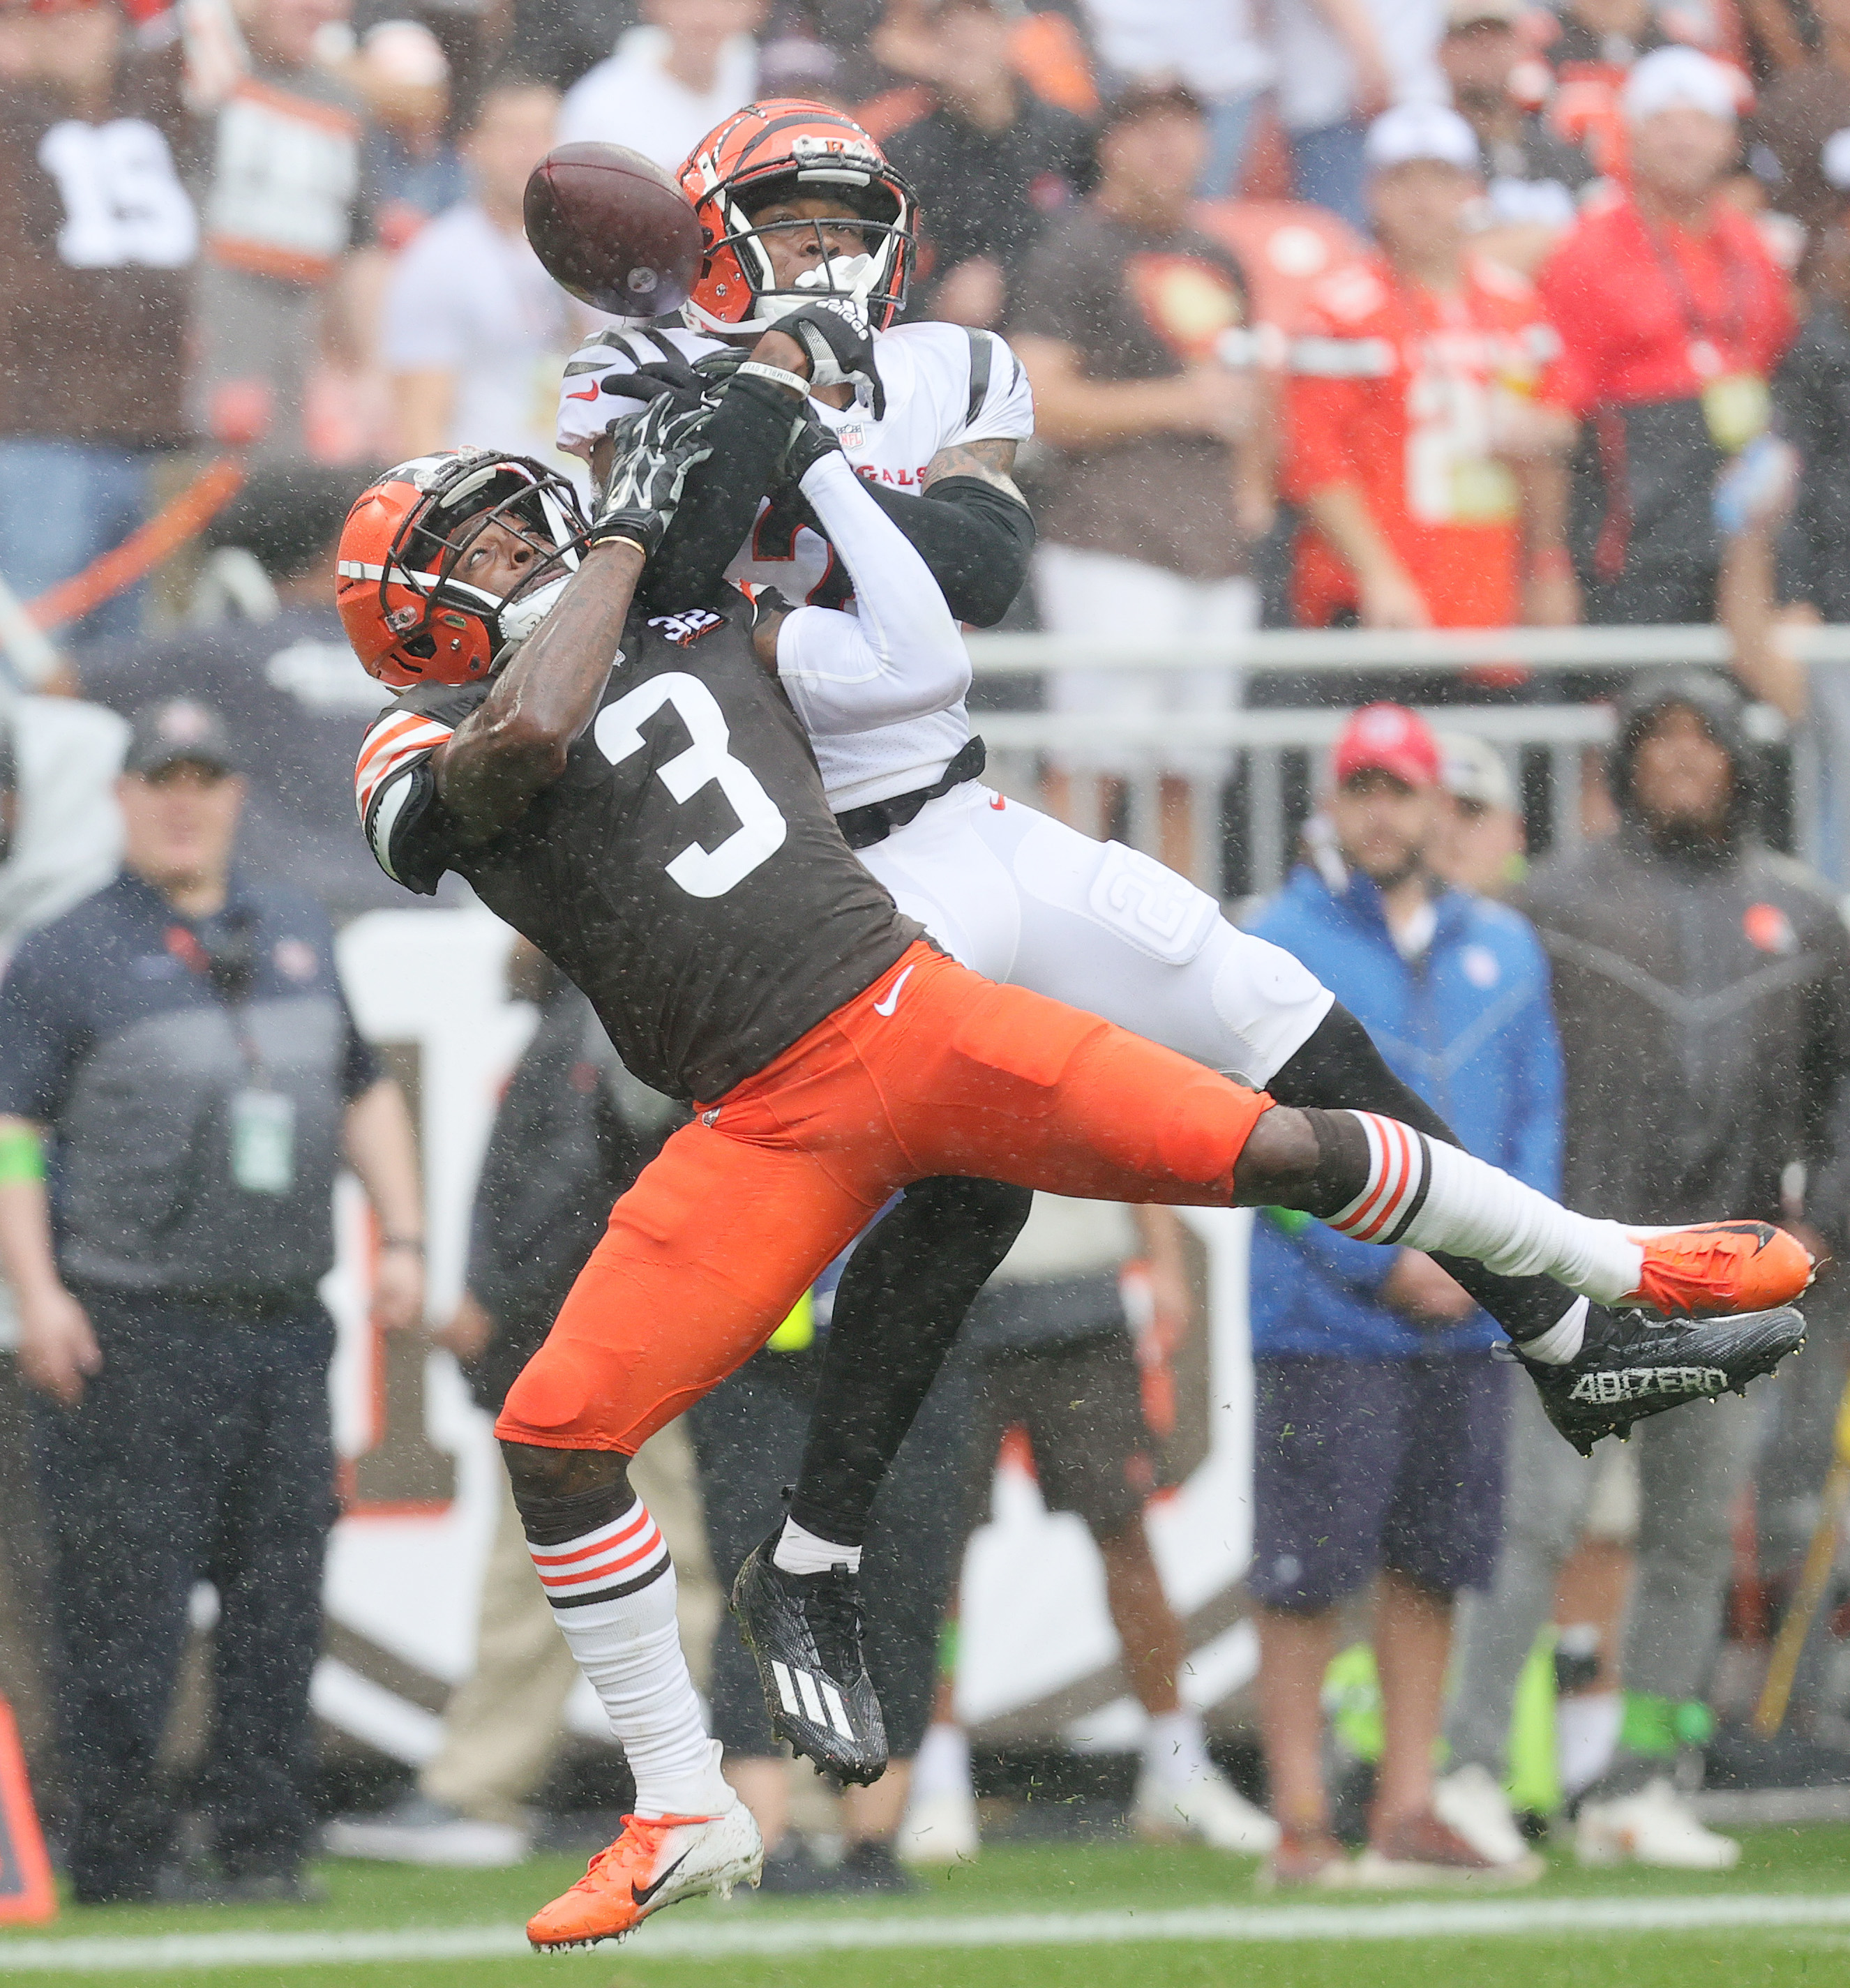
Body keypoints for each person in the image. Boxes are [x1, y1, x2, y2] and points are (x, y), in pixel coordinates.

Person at [340, 409, 1804, 1946]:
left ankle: (1616, 1274)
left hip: (905, 1012)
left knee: (1279, 1145)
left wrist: (807, 450)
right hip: (755, 1122)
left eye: (527, 526)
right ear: (412, 614)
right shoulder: (420, 738)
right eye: (486, 549)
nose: (529, 555)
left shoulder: (688, 611)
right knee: (559, 1433)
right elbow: (522, 742)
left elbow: (915, 655)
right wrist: (636, 539)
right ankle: (681, 1797)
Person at [550, 98, 1810, 1804]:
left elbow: (982, 561)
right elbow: (676, 563)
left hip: (958, 811)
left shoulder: (948, 364)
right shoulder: (630, 379)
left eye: (851, 222)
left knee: (1270, 1001)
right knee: (963, 1171)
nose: (830, 253)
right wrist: (773, 394)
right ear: (708, 237)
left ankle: (1557, 1338)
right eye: (791, 221)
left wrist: (803, 461)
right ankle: (816, 1557)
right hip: (805, 883)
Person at [0, 697, 424, 1904]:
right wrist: (36, 1292)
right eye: (159, 781)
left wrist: (402, 1233)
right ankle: (121, 1851)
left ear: (236, 794)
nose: (183, 803)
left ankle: (264, 1844)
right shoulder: (67, 951)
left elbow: (363, 1085)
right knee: (123, 1607)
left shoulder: (293, 923)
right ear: (123, 799)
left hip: (284, 1323)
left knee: (279, 1601)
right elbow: (13, 1135)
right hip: (132, 1322)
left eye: (204, 779)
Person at [1444, 669, 1850, 1871]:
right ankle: (1468, 1768)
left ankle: (1642, 1780)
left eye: (1702, 738)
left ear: (1741, 760)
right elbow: (1499, 1073)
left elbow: (1839, 1101)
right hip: (1565, 1253)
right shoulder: (1549, 905)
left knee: (1686, 1538)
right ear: (1621, 760)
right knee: (1537, 1522)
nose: (1680, 757)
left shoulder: (1807, 917)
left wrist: (1821, 1228)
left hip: (1725, 1268)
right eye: (1657, 737)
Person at [1244, 705, 1555, 1887]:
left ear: (1440, 806)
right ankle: (1300, 1819)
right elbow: (1255, 1145)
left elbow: (1536, 1122)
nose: (1380, 810)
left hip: (1462, 1317)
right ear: (1331, 803)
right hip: (1324, 1318)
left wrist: (1486, 1261)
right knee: (1304, 1574)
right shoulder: (1276, 939)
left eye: (1400, 788)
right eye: (1360, 788)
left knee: (1431, 1565)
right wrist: (1381, 1260)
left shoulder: (1505, 947)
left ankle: (1409, 1807)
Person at [325, 964, 714, 1868]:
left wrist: (504, 1313)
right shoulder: (602, 1010)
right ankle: (486, 1787)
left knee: (660, 1571)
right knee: (572, 1570)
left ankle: (757, 1786)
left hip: (608, 1343)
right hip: (602, 1340)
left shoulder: (606, 1016)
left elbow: (585, 1195)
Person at [904, 1195, 1277, 1861]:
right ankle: (937, 1778)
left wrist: (1163, 1259)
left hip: (1081, 1301)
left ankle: (1178, 1767)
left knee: (1125, 1540)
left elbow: (1121, 1120)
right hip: (949, 1299)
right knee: (940, 1556)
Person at [1010, 81, 1270, 883]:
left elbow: (1252, 383)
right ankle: (1055, 941)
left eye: (1185, 129)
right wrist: (1177, 401)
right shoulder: (1074, 250)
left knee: (1189, 772)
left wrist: (1254, 489)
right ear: (1112, 146)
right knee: (1091, 766)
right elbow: (1036, 398)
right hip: (1108, 540)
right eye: (1148, 129)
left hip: (1212, 545)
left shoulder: (1218, 255)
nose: (1170, 147)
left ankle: (1181, 948)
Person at [74, 467, 446, 924]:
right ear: (339, 548)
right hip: (432, 911)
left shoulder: (220, 651)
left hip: (282, 922)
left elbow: (62, 686)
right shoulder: (430, 657)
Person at [1538, 49, 1796, 679]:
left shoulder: (1749, 249)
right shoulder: (1587, 253)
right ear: (1631, 135)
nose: (1683, 137)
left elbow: (1770, 372)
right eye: (1663, 120)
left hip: (1739, 523)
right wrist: (1548, 565)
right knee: (1630, 722)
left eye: (1700, 121)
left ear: (1729, 140)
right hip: (1634, 538)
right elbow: (1555, 420)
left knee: (1739, 723)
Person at [1284, 103, 1579, 646]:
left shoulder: (1517, 305)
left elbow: (1560, 430)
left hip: (1489, 591)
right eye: (1403, 180)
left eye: (1441, 178)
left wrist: (1547, 562)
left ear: (1472, 190)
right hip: (1378, 601)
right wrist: (1379, 574)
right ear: (1373, 192)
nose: (1423, 199)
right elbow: (1315, 462)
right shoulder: (1337, 312)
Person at [0, 0, 197, 645]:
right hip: (37, 426)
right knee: (35, 643)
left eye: (89, 14)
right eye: (52, 17)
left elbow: (213, 43)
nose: (74, 30)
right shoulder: (12, 118)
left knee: (136, 659)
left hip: (151, 433)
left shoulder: (153, 106)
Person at [170, 0, 377, 461]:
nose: (316, 10)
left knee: (293, 481)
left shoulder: (343, 103)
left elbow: (358, 242)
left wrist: (361, 366)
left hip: (302, 333)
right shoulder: (213, 76)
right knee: (212, 476)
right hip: (218, 323)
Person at [379, 73, 575, 464]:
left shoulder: (588, 248)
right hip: (492, 499)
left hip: (583, 499)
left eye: (544, 133)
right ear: (472, 146)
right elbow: (420, 424)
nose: (531, 152)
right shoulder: (440, 260)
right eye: (512, 136)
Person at [880, 0, 1094, 329]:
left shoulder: (1067, 134)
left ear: (1008, 34)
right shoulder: (906, 151)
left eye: (979, 20)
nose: (964, 34)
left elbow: (1102, 235)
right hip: (951, 338)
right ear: (930, 47)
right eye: (948, 24)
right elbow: (882, 267)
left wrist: (1006, 272)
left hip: (1061, 325)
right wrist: (936, 301)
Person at [1440, 0, 1598, 276]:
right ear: (1444, 53)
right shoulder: (1434, 155)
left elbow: (1609, 238)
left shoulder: (1559, 146)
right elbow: (1437, 261)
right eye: (1471, 37)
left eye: (1498, 36)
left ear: (1519, 48)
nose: (1486, 49)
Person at [1268, 0, 1445, 232]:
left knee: (1422, 235)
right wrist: (1370, 61)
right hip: (1344, 106)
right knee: (1347, 238)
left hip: (1407, 100)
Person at [557, 0, 762, 170]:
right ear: (652, 6)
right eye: (687, 3)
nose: (705, 18)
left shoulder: (771, 79)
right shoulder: (598, 105)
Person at [1433, 730, 1526, 897]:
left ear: (1516, 830)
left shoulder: (1555, 914)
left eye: (1470, 810)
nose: (1449, 828)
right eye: (1433, 814)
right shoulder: (1375, 918)